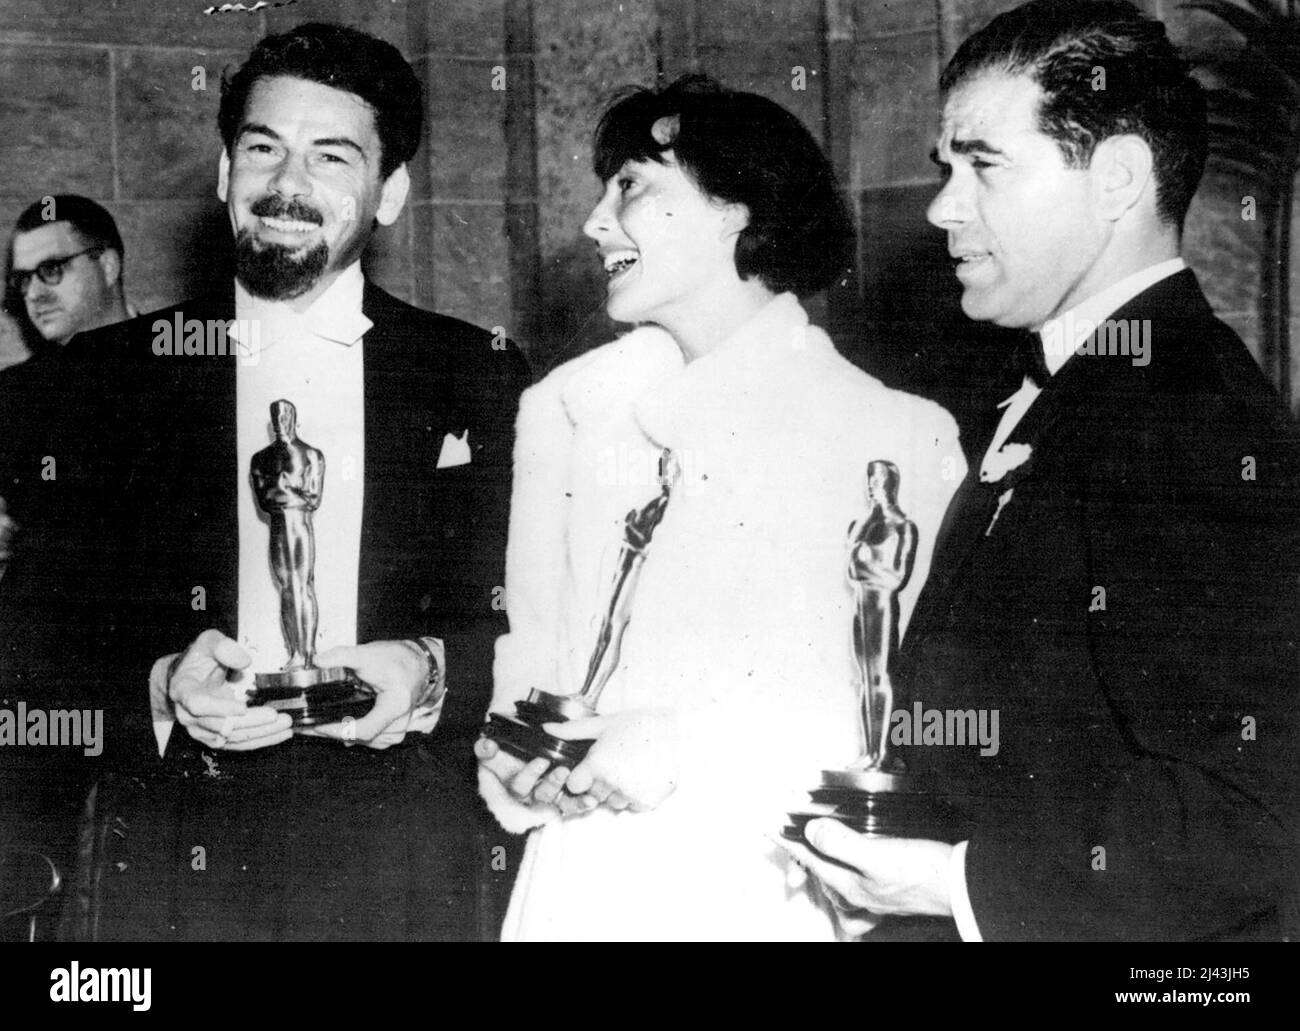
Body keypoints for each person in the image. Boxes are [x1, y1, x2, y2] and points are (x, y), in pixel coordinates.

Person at [782, 0, 1300, 941]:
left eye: (984, 165)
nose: (942, 206)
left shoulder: (1187, 411)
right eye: (948, 168)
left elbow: (1252, 808)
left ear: (1117, 179)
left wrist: (952, 885)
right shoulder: (1083, 383)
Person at [0, 22, 529, 941]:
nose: (289, 185)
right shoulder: (101, 378)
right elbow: (30, 643)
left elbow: (534, 622)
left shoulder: (478, 372)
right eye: (263, 149)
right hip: (169, 857)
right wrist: (162, 687)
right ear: (224, 174)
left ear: (390, 191)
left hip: (406, 861)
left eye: (332, 157)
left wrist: (430, 671)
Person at [476, 76, 963, 941]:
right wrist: (517, 763)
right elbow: (537, 661)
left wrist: (676, 744)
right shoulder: (569, 413)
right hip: (578, 896)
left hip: (759, 895)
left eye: (631, 187)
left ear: (736, 207)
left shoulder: (895, 437)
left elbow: (895, 728)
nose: (594, 220)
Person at [0, 196, 134, 538]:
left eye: (51, 270)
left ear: (107, 266)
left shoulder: (192, 372)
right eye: (23, 280)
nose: (33, 294)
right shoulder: (12, 398)